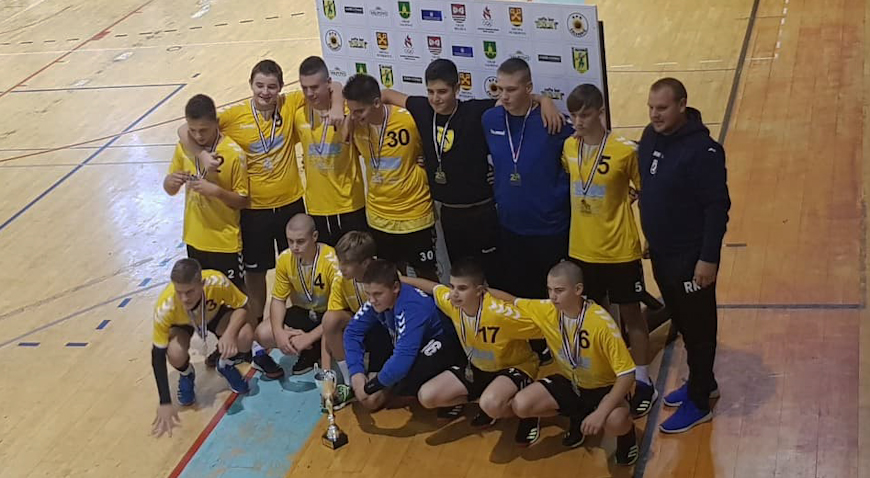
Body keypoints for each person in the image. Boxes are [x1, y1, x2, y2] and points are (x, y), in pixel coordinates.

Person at [178, 60, 345, 328]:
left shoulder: (289, 103)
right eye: (259, 86)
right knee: (255, 273)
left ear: (281, 87)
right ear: (250, 85)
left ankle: (299, 318)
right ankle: (255, 325)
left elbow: (333, 85)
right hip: (254, 210)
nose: (265, 92)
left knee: (300, 264)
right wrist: (201, 154)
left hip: (291, 204)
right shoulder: (236, 115)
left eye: (271, 86)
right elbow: (184, 130)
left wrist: (337, 107)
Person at [380, 59, 564, 284]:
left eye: (442, 92)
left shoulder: (476, 112)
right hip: (448, 214)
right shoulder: (422, 108)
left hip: (482, 212)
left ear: (457, 89)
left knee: (497, 278)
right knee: (462, 278)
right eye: (430, 91)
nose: (436, 98)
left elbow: (515, 98)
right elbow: (386, 94)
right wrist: (348, 117)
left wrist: (545, 100)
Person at [638, 78, 730, 434]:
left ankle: (699, 403)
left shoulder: (703, 151)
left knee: (699, 328)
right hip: (662, 254)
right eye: (651, 107)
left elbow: (717, 208)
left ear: (681, 105)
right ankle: (703, 382)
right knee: (681, 319)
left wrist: (708, 259)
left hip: (691, 259)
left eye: (662, 108)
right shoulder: (650, 136)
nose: (654, 114)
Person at [561, 84, 657, 417]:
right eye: (573, 115)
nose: (578, 122)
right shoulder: (569, 147)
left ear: (600, 112)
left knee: (632, 316)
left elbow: (646, 194)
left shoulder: (625, 150)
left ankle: (642, 380)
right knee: (593, 318)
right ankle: (607, 377)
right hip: (581, 250)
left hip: (619, 250)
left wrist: (650, 236)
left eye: (585, 114)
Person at [490, 262, 639, 465]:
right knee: (521, 404)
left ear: (578, 290)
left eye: (559, 290)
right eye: (550, 290)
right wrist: (480, 290)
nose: (553, 296)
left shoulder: (600, 323)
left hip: (603, 388)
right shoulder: (547, 309)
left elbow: (627, 374)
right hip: (572, 383)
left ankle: (627, 436)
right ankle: (577, 416)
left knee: (615, 421)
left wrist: (601, 412)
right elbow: (513, 300)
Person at [401, 258, 544, 446]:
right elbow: (433, 288)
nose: (454, 294)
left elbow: (543, 327)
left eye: (462, 288)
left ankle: (529, 412)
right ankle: (482, 400)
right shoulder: (452, 303)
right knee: (427, 396)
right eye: (452, 286)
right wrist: (401, 279)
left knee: (491, 404)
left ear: (479, 291)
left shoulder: (499, 314)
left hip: (514, 366)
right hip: (478, 367)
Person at [482, 58, 574, 300]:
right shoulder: (490, 119)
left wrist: (544, 100)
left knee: (555, 301)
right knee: (522, 300)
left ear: (529, 88)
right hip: (510, 229)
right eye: (500, 89)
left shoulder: (553, 122)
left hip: (550, 230)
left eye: (511, 89)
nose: (504, 96)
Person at [343, 74, 439, 281]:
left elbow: (434, 150)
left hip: (415, 214)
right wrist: (348, 120)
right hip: (379, 217)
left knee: (427, 276)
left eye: (360, 111)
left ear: (377, 103)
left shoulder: (408, 120)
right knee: (388, 278)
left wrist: (425, 161)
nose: (355, 116)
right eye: (351, 111)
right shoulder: (354, 125)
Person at [150, 259, 252, 438]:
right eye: (179, 292)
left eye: (189, 291)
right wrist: (165, 402)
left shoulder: (217, 281)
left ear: (202, 283)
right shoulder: (165, 306)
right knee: (174, 352)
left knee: (245, 335)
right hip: (182, 325)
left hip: (213, 315)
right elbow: (157, 355)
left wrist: (229, 334)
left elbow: (243, 306)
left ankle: (226, 364)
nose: (184, 298)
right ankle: (186, 374)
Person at [343, 259, 463, 410]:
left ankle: (449, 392)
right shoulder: (377, 302)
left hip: (443, 344)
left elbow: (403, 359)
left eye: (377, 294)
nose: (372, 300)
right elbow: (352, 332)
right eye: (368, 294)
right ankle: (402, 386)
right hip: (410, 346)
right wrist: (356, 373)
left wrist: (369, 387)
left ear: (395, 287)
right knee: (371, 401)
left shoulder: (413, 307)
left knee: (409, 377)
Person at [164, 94, 249, 291]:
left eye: (204, 130)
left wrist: (217, 192)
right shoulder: (184, 148)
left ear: (216, 123)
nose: (198, 136)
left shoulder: (233, 153)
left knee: (235, 296)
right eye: (192, 130)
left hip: (224, 241)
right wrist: (170, 182)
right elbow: (170, 189)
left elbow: (243, 200)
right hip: (194, 238)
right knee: (202, 296)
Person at [252, 215, 345, 391]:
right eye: (290, 241)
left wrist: (308, 338)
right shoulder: (285, 258)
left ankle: (313, 347)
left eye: (300, 241)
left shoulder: (332, 261)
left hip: (330, 317)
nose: (295, 247)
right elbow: (278, 300)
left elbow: (337, 313)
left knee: (334, 325)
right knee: (263, 333)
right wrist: (279, 333)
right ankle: (311, 350)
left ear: (314, 236)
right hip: (304, 313)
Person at [295, 56, 367, 246]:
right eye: (304, 88)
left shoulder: (348, 112)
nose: (309, 93)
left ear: (328, 83)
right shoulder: (299, 115)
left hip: (350, 205)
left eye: (314, 87)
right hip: (317, 207)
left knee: (357, 261)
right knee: (326, 261)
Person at [322, 230, 377, 386]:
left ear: (365, 263)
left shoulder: (384, 275)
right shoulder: (341, 280)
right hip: (360, 327)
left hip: (384, 330)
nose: (341, 267)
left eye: (346, 263)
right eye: (340, 261)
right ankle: (349, 379)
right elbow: (327, 326)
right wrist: (326, 375)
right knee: (330, 318)